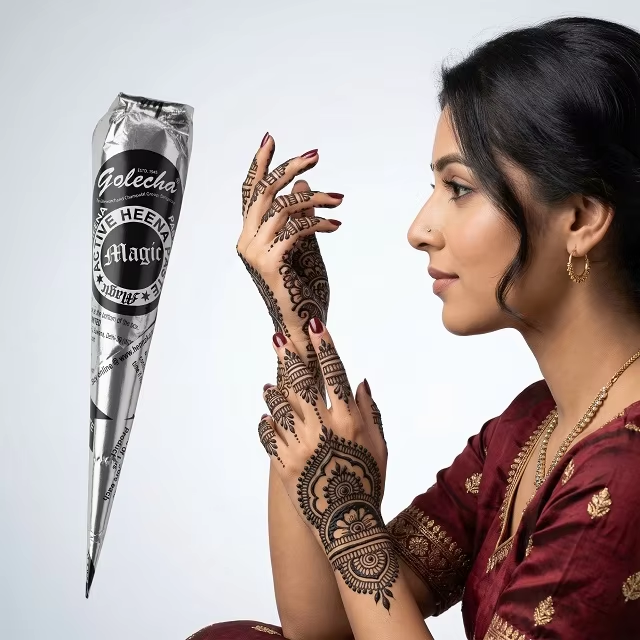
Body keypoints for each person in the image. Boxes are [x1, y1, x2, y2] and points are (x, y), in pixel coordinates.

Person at [187, 16, 640, 640]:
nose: (420, 229)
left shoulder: (625, 470)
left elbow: (356, 571)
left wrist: (348, 516)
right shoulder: (531, 426)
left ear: (582, 218)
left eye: (459, 188)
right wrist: (299, 325)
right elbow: (322, 627)